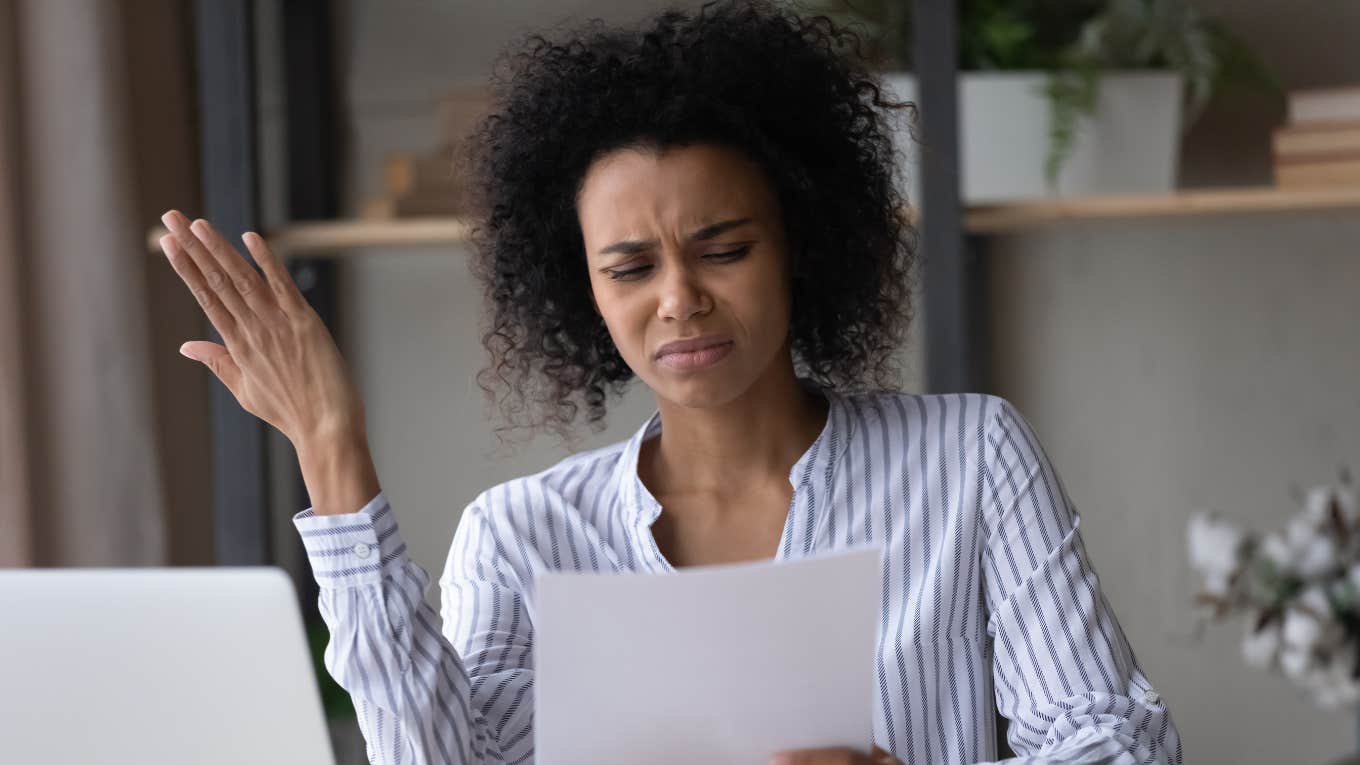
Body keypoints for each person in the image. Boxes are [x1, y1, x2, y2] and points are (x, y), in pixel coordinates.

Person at [156, 1, 1182, 763]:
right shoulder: (522, 535)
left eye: (722, 249)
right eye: (631, 268)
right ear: (583, 293)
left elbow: (1117, 743)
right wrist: (331, 452)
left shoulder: (969, 460)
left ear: (801, 245)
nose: (679, 300)